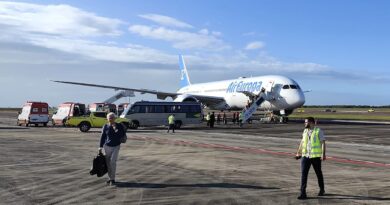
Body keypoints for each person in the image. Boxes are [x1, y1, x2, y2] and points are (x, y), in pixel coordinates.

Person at [295, 117, 326, 199]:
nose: (305, 123)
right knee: (304, 174)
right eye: (304, 122)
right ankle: (303, 193)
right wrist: (298, 152)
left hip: (315, 157)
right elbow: (302, 142)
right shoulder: (305, 131)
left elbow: (323, 143)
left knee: (318, 173)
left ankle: (322, 189)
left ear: (311, 123)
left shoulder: (318, 131)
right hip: (305, 156)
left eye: (306, 122)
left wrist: (323, 154)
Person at [98, 112, 126, 186]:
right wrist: (100, 147)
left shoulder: (119, 125)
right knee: (108, 163)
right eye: (109, 118)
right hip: (107, 146)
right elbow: (103, 137)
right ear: (107, 119)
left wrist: (115, 129)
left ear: (115, 118)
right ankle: (110, 178)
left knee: (113, 162)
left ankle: (112, 179)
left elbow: (122, 134)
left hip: (116, 146)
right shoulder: (105, 126)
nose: (111, 119)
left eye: (112, 117)